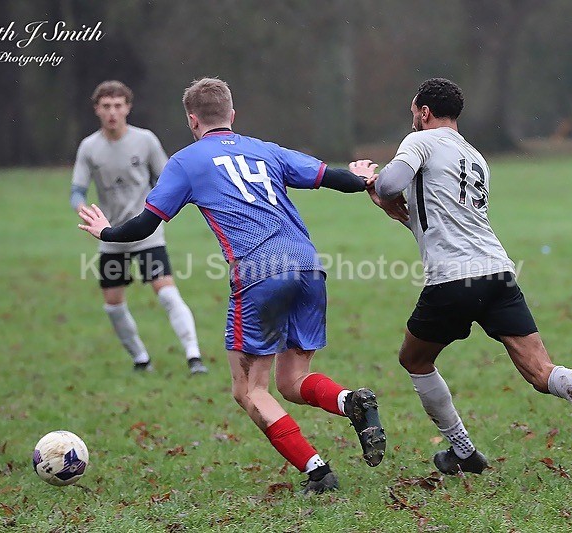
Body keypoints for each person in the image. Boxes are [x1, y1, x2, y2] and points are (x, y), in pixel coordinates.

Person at [78, 77, 387, 493]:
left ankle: (318, 472)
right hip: (309, 267)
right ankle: (351, 401)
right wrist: (362, 177)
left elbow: (145, 224)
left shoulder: (187, 161)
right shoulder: (266, 150)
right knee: (291, 382)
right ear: (232, 115)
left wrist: (105, 233)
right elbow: (332, 178)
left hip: (260, 274)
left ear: (192, 120)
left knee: (248, 389)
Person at [367, 77, 572, 477]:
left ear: (424, 112)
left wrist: (374, 181)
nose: (413, 118)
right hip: (498, 272)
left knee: (414, 359)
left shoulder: (419, 141)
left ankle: (464, 451)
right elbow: (436, 221)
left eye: (414, 112)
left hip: (453, 279)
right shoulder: (475, 156)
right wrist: (387, 205)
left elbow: (391, 182)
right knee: (541, 371)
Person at [71, 80, 208, 375]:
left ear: (127, 108)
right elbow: (77, 189)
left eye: (118, 106)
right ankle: (141, 359)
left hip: (146, 233)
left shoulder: (145, 140)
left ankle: (194, 356)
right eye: (106, 106)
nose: (112, 113)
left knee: (167, 293)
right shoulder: (89, 147)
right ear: (97, 109)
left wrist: (163, 207)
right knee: (113, 304)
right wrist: (79, 206)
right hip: (109, 236)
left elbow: (167, 176)